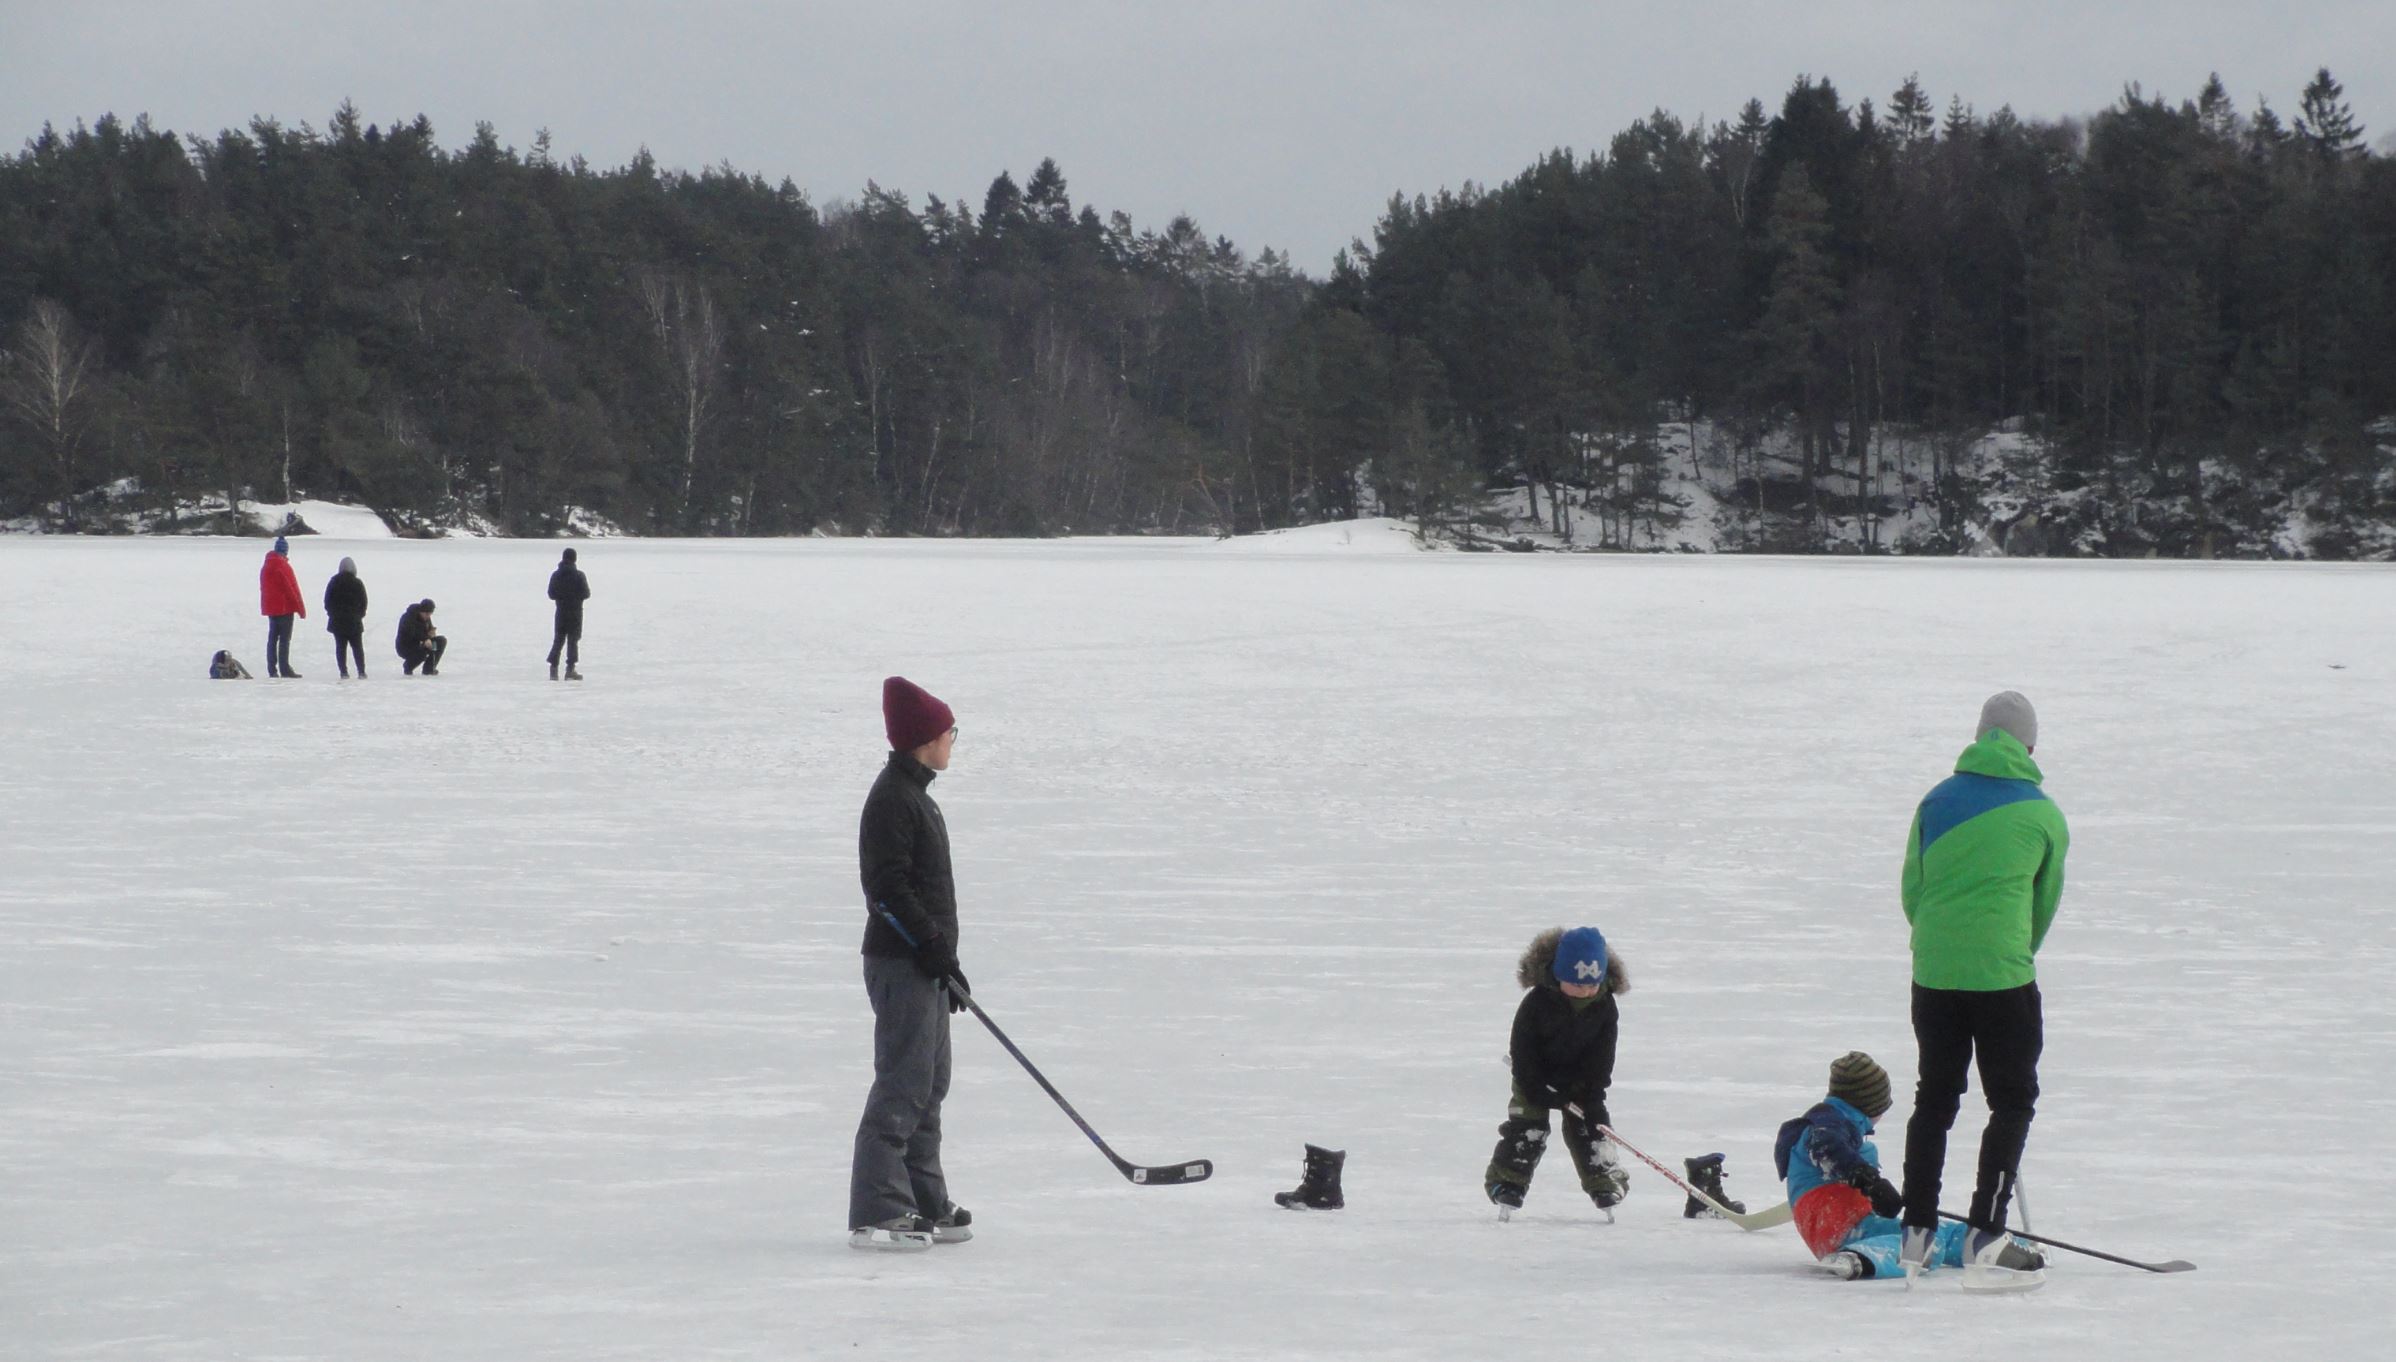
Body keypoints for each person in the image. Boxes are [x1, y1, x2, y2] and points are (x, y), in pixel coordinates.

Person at [1897, 691, 2069, 1275]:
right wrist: (2008, 953)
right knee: (2012, 1101)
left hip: (1934, 974)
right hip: (2003, 976)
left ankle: (1916, 1230)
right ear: (2030, 746)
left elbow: (1913, 891)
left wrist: (1941, 946)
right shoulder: (2044, 815)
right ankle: (1984, 1231)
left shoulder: (1935, 801)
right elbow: (2043, 905)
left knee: (1935, 1098)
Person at [849, 676, 971, 1252]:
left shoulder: (916, 796)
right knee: (903, 1083)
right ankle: (880, 1207)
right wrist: (928, 945)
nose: (953, 742)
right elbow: (887, 889)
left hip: (923, 962)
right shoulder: (893, 800)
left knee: (930, 1082)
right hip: (900, 962)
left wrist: (944, 957)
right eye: (950, 733)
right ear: (927, 739)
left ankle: (923, 1196)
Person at [1773, 1051, 2042, 1281]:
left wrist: (1876, 1195)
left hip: (1852, 1221)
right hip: (1835, 1226)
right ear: (1869, 1103)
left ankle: (1997, 1247)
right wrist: (1872, 1184)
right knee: (1922, 1247)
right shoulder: (1824, 1127)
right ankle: (1857, 1259)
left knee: (1936, 1232)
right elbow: (1828, 1150)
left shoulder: (1839, 1123)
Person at [1484, 925, 1632, 1218]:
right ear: (1559, 975)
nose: (1585, 991)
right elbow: (1523, 1049)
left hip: (1580, 1079)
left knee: (1590, 1127)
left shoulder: (1604, 1005)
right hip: (1535, 1075)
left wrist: (1593, 1093)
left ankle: (1605, 1181)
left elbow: (1603, 1055)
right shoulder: (1537, 1002)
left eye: (1591, 985)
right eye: (1576, 984)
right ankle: (1507, 1182)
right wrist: (1535, 1085)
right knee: (1529, 1127)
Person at [258, 536, 305, 678]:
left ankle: (272, 669)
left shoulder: (266, 566)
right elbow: (292, 588)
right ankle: (285, 669)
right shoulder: (283, 566)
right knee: (284, 640)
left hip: (271, 609)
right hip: (285, 609)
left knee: (272, 638)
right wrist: (300, 608)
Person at [546, 546, 590, 680]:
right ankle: (570, 669)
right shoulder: (579, 575)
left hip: (561, 612)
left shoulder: (556, 575)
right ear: (574, 559)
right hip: (575, 613)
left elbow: (551, 594)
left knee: (558, 640)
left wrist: (562, 597)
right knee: (573, 641)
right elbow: (586, 593)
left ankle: (553, 668)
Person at [324, 557, 369, 679]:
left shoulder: (334, 582)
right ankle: (361, 671)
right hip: (354, 621)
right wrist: (360, 614)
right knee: (357, 647)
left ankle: (343, 672)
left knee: (340, 647)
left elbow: (327, 601)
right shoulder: (357, 583)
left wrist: (332, 614)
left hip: (337, 621)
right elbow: (364, 601)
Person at [395, 599, 447, 676]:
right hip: (406, 646)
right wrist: (425, 639)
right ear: (420, 611)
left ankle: (429, 668)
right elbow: (411, 633)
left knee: (440, 641)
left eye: (430, 614)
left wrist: (431, 634)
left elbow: (428, 630)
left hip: (421, 644)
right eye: (426, 614)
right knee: (422, 653)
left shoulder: (426, 618)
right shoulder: (408, 617)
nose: (428, 616)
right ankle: (408, 666)